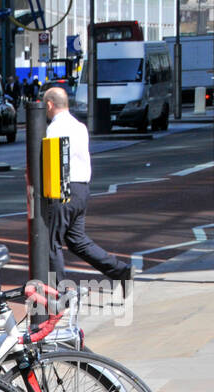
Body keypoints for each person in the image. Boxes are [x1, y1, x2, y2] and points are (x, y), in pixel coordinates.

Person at [41, 85, 131, 285]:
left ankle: (59, 294)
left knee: (51, 243)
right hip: (82, 189)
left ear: (49, 104)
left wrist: (51, 193)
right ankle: (120, 271)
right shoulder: (79, 126)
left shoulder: (55, 128)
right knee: (77, 240)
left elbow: (56, 162)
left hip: (64, 187)